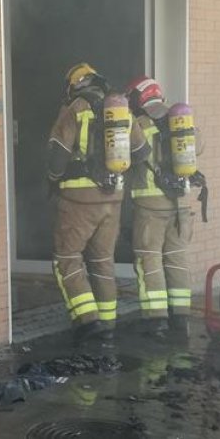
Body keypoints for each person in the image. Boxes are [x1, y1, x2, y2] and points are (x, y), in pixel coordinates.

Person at [46, 63, 148, 345]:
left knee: (67, 259)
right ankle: (108, 324)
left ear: (74, 84)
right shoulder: (120, 107)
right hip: (113, 198)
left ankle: (88, 321)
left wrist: (53, 179)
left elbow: (57, 156)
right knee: (103, 261)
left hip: (78, 199)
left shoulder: (76, 108)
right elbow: (142, 152)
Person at [125, 76, 206, 338]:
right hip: (181, 205)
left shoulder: (138, 124)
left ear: (139, 98)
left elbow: (124, 158)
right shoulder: (180, 122)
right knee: (177, 260)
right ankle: (180, 320)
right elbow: (199, 147)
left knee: (149, 261)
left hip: (150, 206)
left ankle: (156, 320)